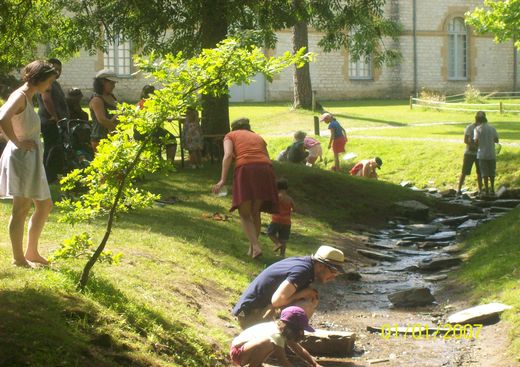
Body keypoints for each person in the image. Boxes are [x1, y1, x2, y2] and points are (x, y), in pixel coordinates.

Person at [0, 60, 58, 266]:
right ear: (40, 78)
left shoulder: (30, 96)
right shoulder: (20, 95)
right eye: (49, 81)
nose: (50, 86)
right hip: (21, 159)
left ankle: (32, 252)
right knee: (21, 209)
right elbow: (2, 119)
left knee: (44, 205)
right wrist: (16, 141)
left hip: (31, 158)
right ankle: (18, 258)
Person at [232, 245, 345, 329]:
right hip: (249, 317)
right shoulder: (302, 271)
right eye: (333, 271)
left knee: (308, 298)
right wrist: (303, 293)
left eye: (337, 274)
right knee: (306, 304)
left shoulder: (307, 266)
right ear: (320, 265)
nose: (333, 277)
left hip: (257, 310)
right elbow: (277, 301)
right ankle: (282, 340)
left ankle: (286, 339)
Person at [213, 118, 278, 259]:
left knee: (244, 213)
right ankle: (253, 247)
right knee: (255, 212)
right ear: (249, 128)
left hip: (246, 168)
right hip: (266, 169)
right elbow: (266, 157)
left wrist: (223, 179)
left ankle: (255, 246)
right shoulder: (258, 137)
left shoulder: (230, 136)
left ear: (233, 128)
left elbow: (228, 155)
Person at [229, 306, 322, 367]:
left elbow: (299, 349)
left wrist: (315, 364)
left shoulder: (283, 331)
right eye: (300, 329)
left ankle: (257, 364)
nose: (301, 332)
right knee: (267, 342)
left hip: (244, 351)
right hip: (238, 353)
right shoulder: (276, 334)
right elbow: (282, 360)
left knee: (267, 343)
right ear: (291, 327)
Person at [36, 58, 69, 183]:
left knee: (56, 147)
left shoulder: (54, 83)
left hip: (55, 120)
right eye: (55, 69)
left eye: (60, 70)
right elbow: (46, 99)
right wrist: (55, 116)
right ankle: (48, 176)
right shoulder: (48, 83)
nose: (58, 72)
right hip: (49, 120)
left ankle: (53, 174)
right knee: (52, 148)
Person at [134, 85, 177, 163]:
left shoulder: (138, 104)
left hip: (139, 132)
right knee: (172, 140)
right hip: (149, 131)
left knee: (158, 139)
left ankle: (160, 162)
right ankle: (169, 163)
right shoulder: (151, 104)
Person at [89, 69, 119, 153]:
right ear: (102, 82)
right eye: (111, 83)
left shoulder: (111, 96)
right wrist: (117, 131)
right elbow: (102, 119)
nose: (113, 86)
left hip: (112, 137)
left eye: (114, 83)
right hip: (100, 139)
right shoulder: (97, 99)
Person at [474, 111, 499, 196]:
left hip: (482, 154)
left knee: (484, 173)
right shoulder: (492, 128)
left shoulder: (477, 129)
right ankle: (492, 188)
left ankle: (487, 189)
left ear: (479, 121)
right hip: (491, 153)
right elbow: (496, 140)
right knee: (492, 172)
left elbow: (476, 142)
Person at [267, 178, 295, 257]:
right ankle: (282, 255)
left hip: (276, 219)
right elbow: (294, 208)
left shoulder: (278, 197)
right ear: (286, 188)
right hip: (287, 222)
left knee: (270, 233)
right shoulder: (290, 198)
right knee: (284, 239)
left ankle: (277, 243)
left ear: (277, 188)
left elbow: (273, 205)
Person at [457, 113, 483, 195]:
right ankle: (459, 189)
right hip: (469, 153)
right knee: (464, 171)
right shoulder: (470, 127)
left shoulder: (483, 128)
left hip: (479, 153)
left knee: (480, 172)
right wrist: (473, 145)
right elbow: (465, 140)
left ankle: (480, 190)